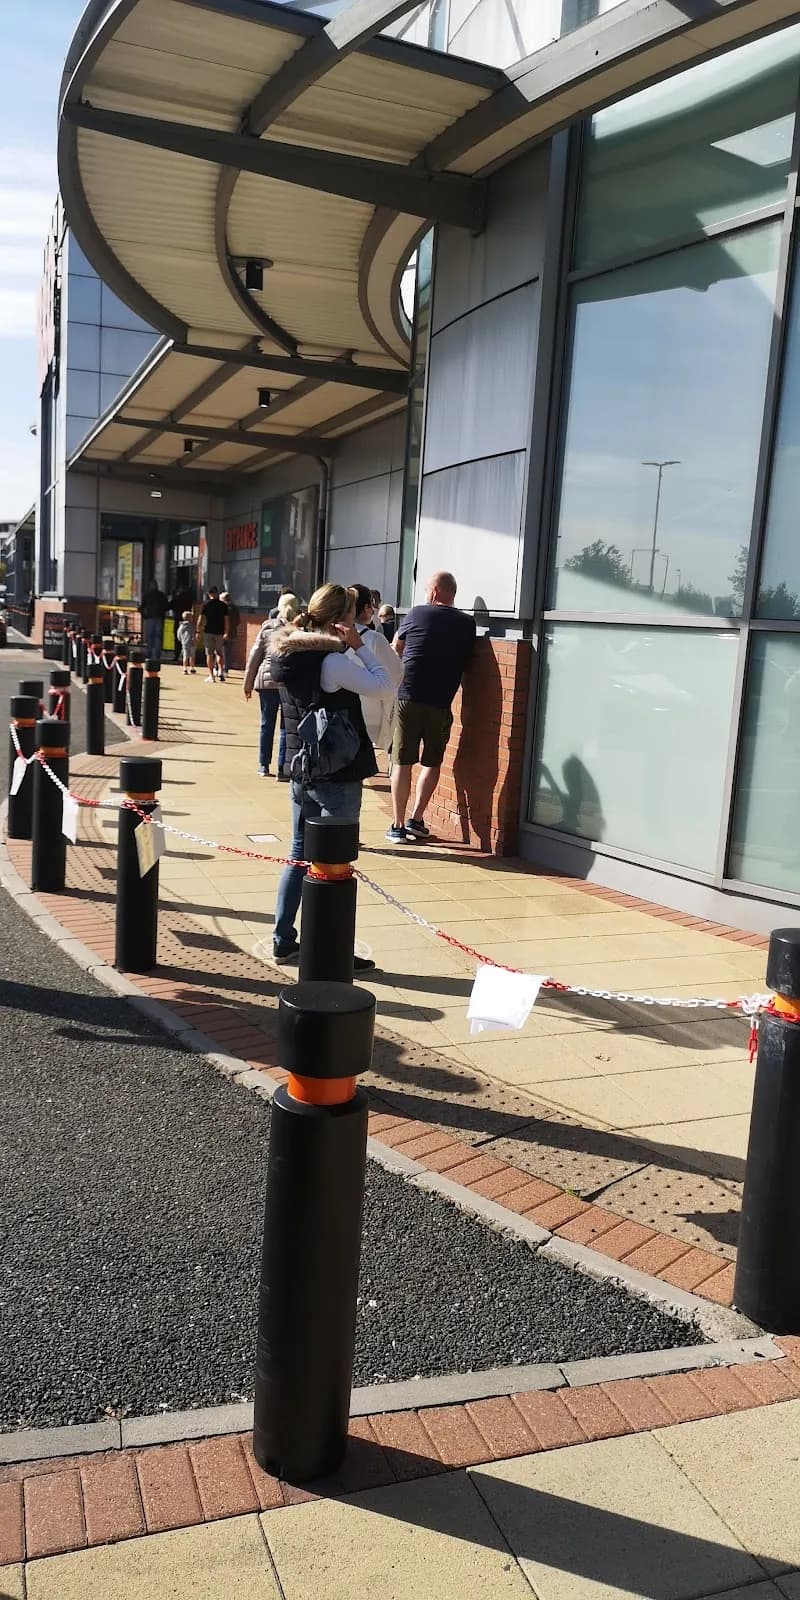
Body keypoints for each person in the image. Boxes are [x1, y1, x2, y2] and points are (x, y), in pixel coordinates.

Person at [269, 583, 393, 964]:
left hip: (301, 767)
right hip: (336, 773)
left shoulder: (288, 655)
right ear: (343, 619)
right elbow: (386, 684)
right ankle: (331, 948)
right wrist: (356, 644)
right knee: (335, 860)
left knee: (299, 852)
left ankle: (284, 938)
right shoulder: (333, 660)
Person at [387, 570, 476, 844]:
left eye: (427, 589)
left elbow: (396, 648)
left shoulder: (416, 614)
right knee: (432, 761)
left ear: (435, 592)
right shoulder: (467, 623)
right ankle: (416, 819)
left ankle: (398, 825)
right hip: (441, 701)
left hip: (409, 696)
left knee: (401, 761)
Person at [243, 592, 300, 775]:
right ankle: (283, 768)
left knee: (267, 723)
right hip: (288, 682)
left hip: (266, 681)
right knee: (286, 726)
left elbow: (255, 656)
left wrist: (248, 683)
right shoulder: (298, 629)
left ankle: (263, 765)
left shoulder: (267, 626)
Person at [351, 584, 403, 752]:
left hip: (332, 715)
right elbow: (396, 673)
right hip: (368, 716)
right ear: (366, 608)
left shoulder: (328, 634)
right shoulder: (374, 639)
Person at [201, 586, 228, 682]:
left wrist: (198, 630)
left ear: (209, 594)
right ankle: (221, 671)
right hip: (220, 632)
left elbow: (201, 618)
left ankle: (211, 676)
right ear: (217, 593)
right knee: (220, 653)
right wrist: (226, 631)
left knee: (209, 654)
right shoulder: (223, 605)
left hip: (208, 631)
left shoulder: (206, 605)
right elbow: (226, 620)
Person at [141, 579, 168, 661]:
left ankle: (149, 653)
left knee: (150, 636)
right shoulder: (161, 595)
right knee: (158, 636)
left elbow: (141, 607)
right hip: (159, 618)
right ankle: (157, 653)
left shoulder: (147, 595)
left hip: (150, 618)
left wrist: (145, 615)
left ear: (150, 586)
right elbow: (166, 606)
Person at [220, 591, 240, 676]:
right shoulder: (235, 608)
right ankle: (226, 670)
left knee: (219, 652)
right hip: (232, 633)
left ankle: (219, 669)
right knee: (228, 653)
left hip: (222, 633)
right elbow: (238, 621)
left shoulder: (223, 608)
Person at [176, 610, 197, 675]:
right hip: (192, 642)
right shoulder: (192, 626)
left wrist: (180, 639)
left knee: (185, 656)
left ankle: (185, 668)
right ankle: (192, 668)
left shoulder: (181, 626)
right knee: (192, 656)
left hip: (184, 642)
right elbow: (193, 634)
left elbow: (178, 634)